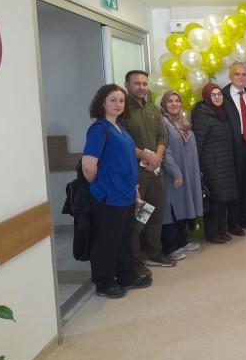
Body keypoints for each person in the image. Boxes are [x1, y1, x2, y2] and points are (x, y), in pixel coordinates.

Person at [82, 84, 152, 299]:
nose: (118, 104)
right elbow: (88, 166)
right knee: (107, 240)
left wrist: (133, 188)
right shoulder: (99, 129)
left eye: (121, 100)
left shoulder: (119, 127)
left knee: (124, 239)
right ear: (102, 103)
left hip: (126, 195)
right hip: (108, 196)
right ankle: (104, 282)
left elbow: (125, 159)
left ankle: (126, 275)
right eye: (113, 100)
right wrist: (102, 186)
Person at [121, 70, 174, 276]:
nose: (142, 87)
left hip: (156, 174)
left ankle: (155, 253)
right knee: (138, 219)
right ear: (127, 85)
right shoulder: (122, 111)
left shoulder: (152, 109)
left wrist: (157, 157)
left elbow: (163, 137)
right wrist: (147, 157)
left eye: (144, 83)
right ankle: (135, 261)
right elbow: (123, 143)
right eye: (137, 83)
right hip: (136, 176)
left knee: (156, 215)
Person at [191, 84, 239, 244]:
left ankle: (221, 231)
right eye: (213, 95)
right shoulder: (202, 116)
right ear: (206, 97)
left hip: (225, 165)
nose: (217, 97)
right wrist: (198, 170)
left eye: (219, 94)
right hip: (211, 167)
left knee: (223, 200)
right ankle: (212, 234)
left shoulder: (221, 114)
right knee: (214, 202)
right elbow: (197, 146)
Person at [159, 91, 202, 260]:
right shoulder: (162, 123)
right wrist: (176, 172)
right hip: (172, 175)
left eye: (177, 100)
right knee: (171, 209)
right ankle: (170, 246)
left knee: (185, 204)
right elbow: (165, 151)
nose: (174, 104)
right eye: (170, 101)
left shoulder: (184, 122)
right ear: (164, 104)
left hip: (189, 172)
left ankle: (181, 240)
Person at [222, 62, 246, 234]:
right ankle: (233, 222)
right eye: (237, 74)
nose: (240, 77)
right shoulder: (223, 96)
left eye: (243, 74)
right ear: (230, 76)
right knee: (235, 184)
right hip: (232, 145)